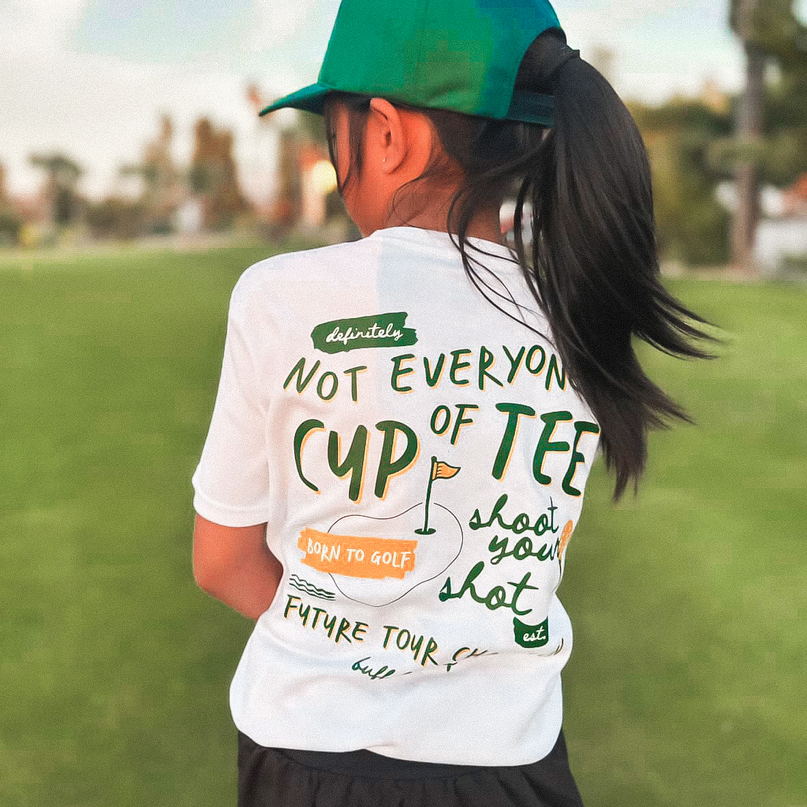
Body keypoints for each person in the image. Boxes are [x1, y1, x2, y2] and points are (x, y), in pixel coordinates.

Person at [191, 0, 715, 804]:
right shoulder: (580, 305)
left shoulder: (279, 296)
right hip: (513, 768)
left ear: (389, 134)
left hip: (306, 760)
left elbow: (222, 560)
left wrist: (358, 638)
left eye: (335, 137)